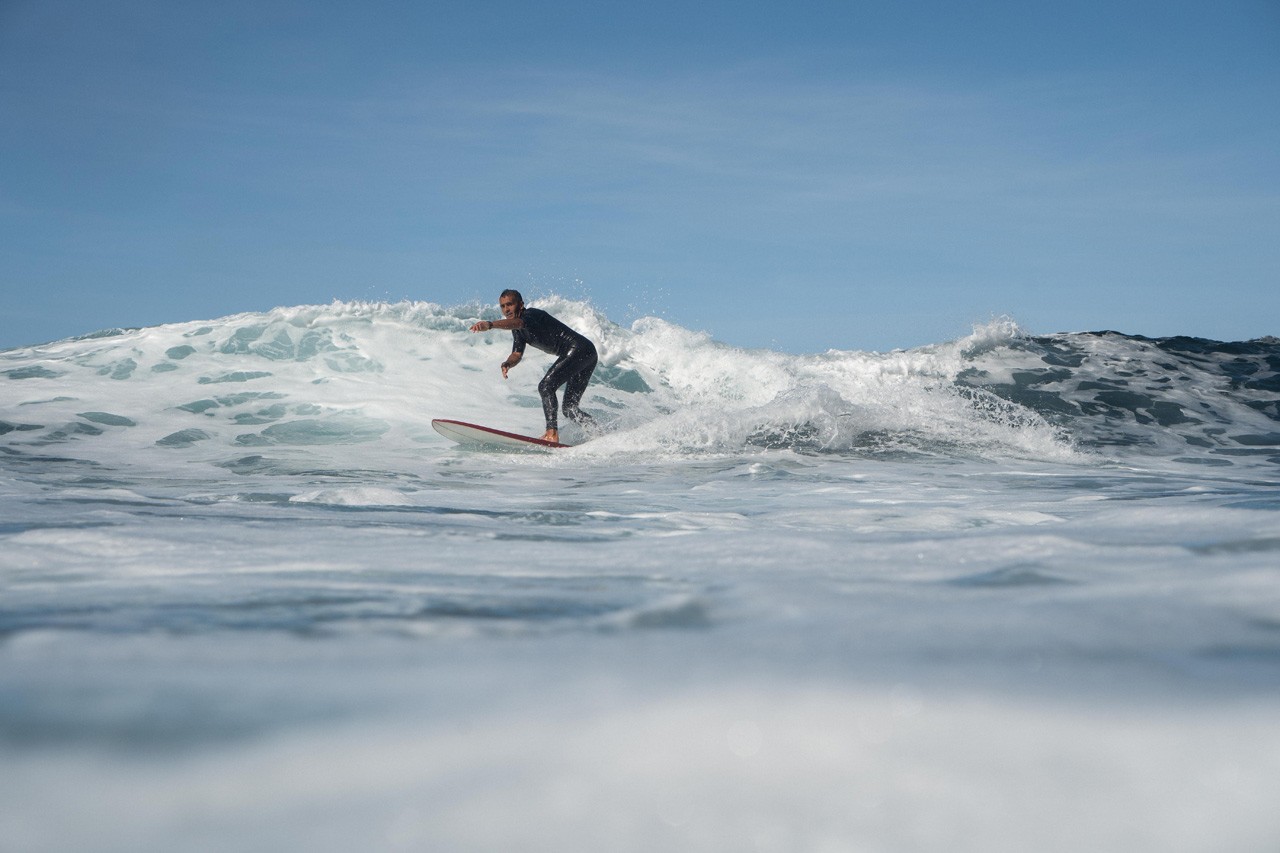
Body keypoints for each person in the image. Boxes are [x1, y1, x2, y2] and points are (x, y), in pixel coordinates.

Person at [469, 290, 598, 443]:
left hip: (579, 349)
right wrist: (508, 363)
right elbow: (517, 354)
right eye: (502, 306)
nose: (506, 309)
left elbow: (519, 323)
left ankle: (552, 434)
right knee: (569, 409)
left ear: (521, 304)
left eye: (510, 304)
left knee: (546, 386)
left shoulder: (530, 315)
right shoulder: (518, 331)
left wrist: (490, 325)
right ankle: (599, 433)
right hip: (587, 352)